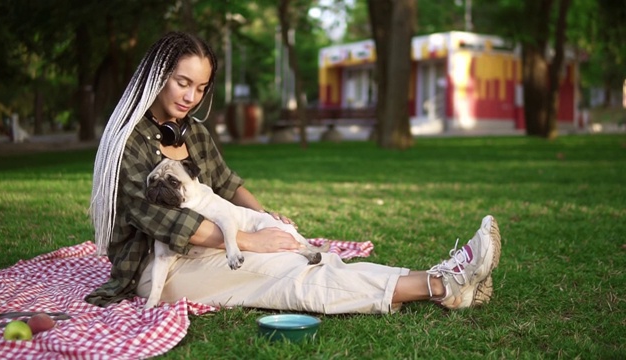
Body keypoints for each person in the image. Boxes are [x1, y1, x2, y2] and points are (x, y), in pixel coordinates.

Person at [85, 32, 502, 314]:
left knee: (306, 258)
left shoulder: (192, 132)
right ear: (157, 76)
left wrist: (270, 221)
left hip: (210, 245)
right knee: (288, 275)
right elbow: (167, 220)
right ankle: (444, 285)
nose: (191, 97)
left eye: (200, 88)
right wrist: (254, 241)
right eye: (182, 83)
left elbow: (227, 184)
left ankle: (447, 280)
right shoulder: (127, 144)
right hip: (157, 269)